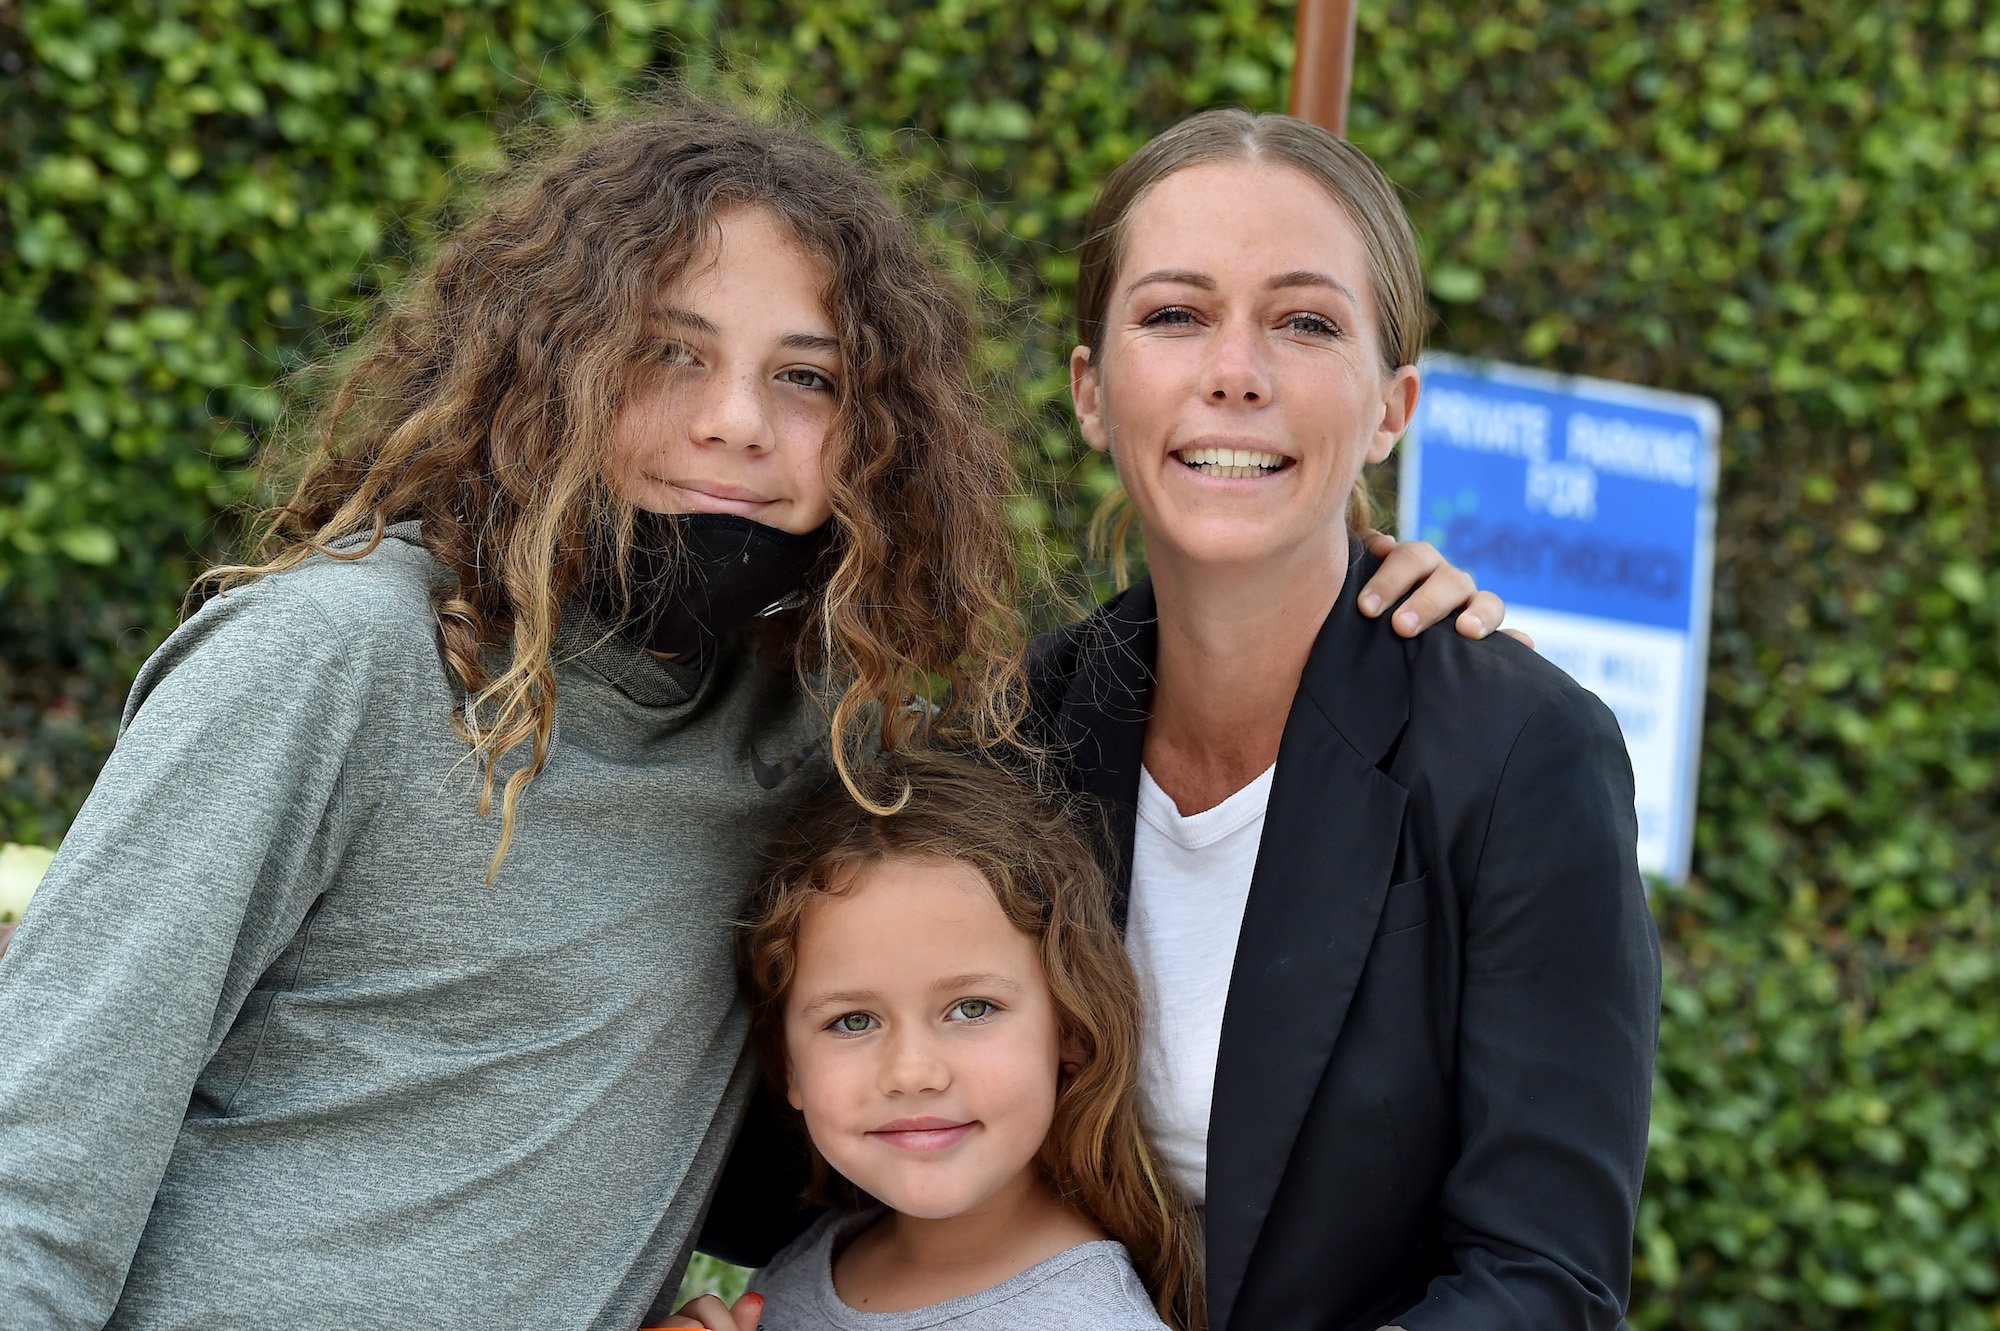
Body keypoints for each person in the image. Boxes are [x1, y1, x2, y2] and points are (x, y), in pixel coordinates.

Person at [0, 99, 1497, 1330]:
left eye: (809, 379)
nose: (737, 422)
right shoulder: (332, 659)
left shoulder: (800, 750)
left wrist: (1348, 580)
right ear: (548, 369)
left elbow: (867, 1113)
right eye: (670, 352)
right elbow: (33, 1177)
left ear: (873, 441)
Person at [1029, 109, 1662, 1330]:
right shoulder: (1015, 734)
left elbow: (1546, 1281)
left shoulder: (1522, 753)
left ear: (1389, 405)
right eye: (1172, 314)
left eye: (1305, 322)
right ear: (1090, 390)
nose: (1235, 370)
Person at [671, 751, 1199, 1331]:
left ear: (1070, 1030)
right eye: (852, 1021)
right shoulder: (815, 1259)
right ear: (790, 1065)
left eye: (972, 1009)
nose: (912, 1071)